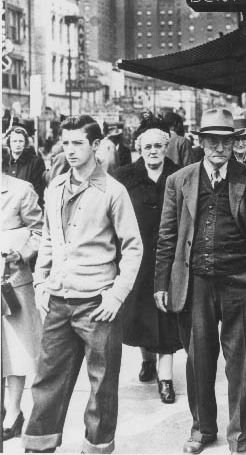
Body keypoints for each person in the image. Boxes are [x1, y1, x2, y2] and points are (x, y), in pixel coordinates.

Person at [154, 108, 246, 455]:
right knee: (198, 362)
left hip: (241, 283)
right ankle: (202, 428)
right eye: (213, 141)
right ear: (201, 142)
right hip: (196, 284)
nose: (220, 147)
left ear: (235, 143)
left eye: (227, 141)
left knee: (243, 365)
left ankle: (240, 439)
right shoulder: (181, 180)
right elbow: (166, 234)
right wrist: (162, 282)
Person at [22, 114, 143, 454]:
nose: (71, 150)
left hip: (97, 305)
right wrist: (40, 283)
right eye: (66, 143)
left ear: (94, 145)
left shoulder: (113, 191)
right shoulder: (55, 186)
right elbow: (47, 237)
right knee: (47, 381)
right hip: (59, 300)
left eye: (78, 143)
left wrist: (117, 295)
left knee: (102, 387)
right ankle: (39, 446)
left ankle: (97, 447)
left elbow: (133, 247)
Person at [115, 117, 182, 403]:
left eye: (158, 146)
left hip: (169, 257)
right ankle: (147, 361)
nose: (152, 151)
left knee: (167, 317)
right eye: (147, 147)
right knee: (140, 315)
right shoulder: (124, 176)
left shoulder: (181, 175)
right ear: (139, 148)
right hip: (136, 259)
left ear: (166, 147)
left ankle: (166, 379)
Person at [1, 146, 43, 441]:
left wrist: (20, 252)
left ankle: (12, 412)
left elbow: (41, 231)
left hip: (11, 282)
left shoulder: (20, 190)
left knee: (14, 350)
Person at [4, 126, 46, 207]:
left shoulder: (35, 162)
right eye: (14, 141)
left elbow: (38, 191)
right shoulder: (4, 162)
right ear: (9, 143)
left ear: (25, 143)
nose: (18, 144)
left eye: (21, 141)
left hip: (29, 208)